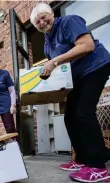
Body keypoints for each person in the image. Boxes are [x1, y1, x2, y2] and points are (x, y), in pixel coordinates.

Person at [30, 2, 110, 183]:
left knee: (83, 113)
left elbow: (87, 45)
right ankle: (81, 160)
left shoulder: (68, 22)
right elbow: (55, 69)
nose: (42, 23)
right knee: (70, 117)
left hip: (96, 66)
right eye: (37, 22)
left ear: (51, 13)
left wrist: (55, 61)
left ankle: (98, 167)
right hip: (77, 77)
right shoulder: (46, 43)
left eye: (44, 17)